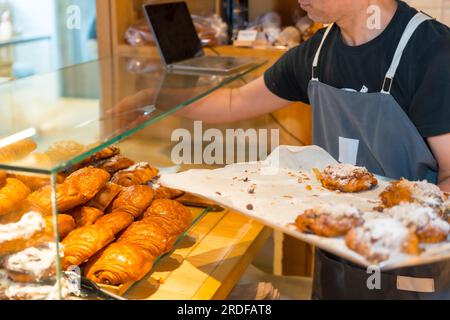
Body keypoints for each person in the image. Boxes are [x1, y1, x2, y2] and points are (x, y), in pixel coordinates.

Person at [113, 0, 450, 299]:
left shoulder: (430, 52)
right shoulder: (318, 52)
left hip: (414, 272)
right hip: (335, 262)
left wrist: (391, 229)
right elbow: (234, 101)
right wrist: (155, 98)